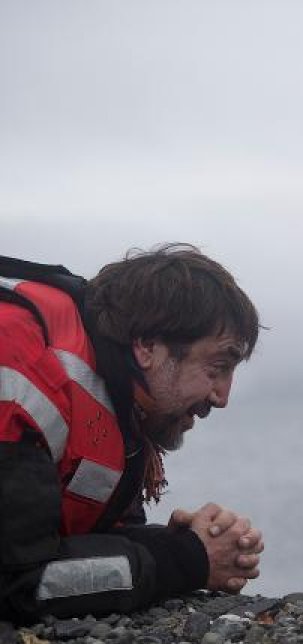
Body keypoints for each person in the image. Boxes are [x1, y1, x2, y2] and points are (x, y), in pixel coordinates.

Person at [0, 244, 265, 623]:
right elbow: (19, 583)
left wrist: (176, 544)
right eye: (217, 366)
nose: (222, 397)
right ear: (147, 346)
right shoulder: (18, 370)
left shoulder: (118, 403)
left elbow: (86, 538)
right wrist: (187, 560)